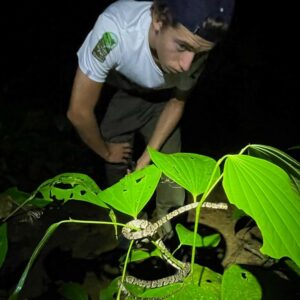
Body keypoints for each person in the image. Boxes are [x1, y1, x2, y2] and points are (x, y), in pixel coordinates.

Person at [67, 0, 235, 238]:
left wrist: (146, 158)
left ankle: (169, 241)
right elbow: (78, 112)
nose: (187, 64)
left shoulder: (197, 44)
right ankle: (129, 239)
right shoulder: (113, 33)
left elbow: (177, 102)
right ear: (157, 19)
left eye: (200, 53)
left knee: (175, 179)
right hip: (126, 93)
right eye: (182, 46)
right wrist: (106, 151)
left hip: (164, 102)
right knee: (117, 168)